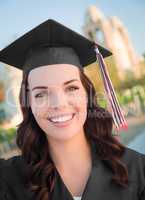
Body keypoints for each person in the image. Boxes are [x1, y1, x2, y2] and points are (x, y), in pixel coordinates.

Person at [0, 19, 145, 200]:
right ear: (28, 104)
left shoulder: (137, 170)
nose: (58, 103)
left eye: (71, 88)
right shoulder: (8, 180)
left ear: (87, 95)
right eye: (40, 94)